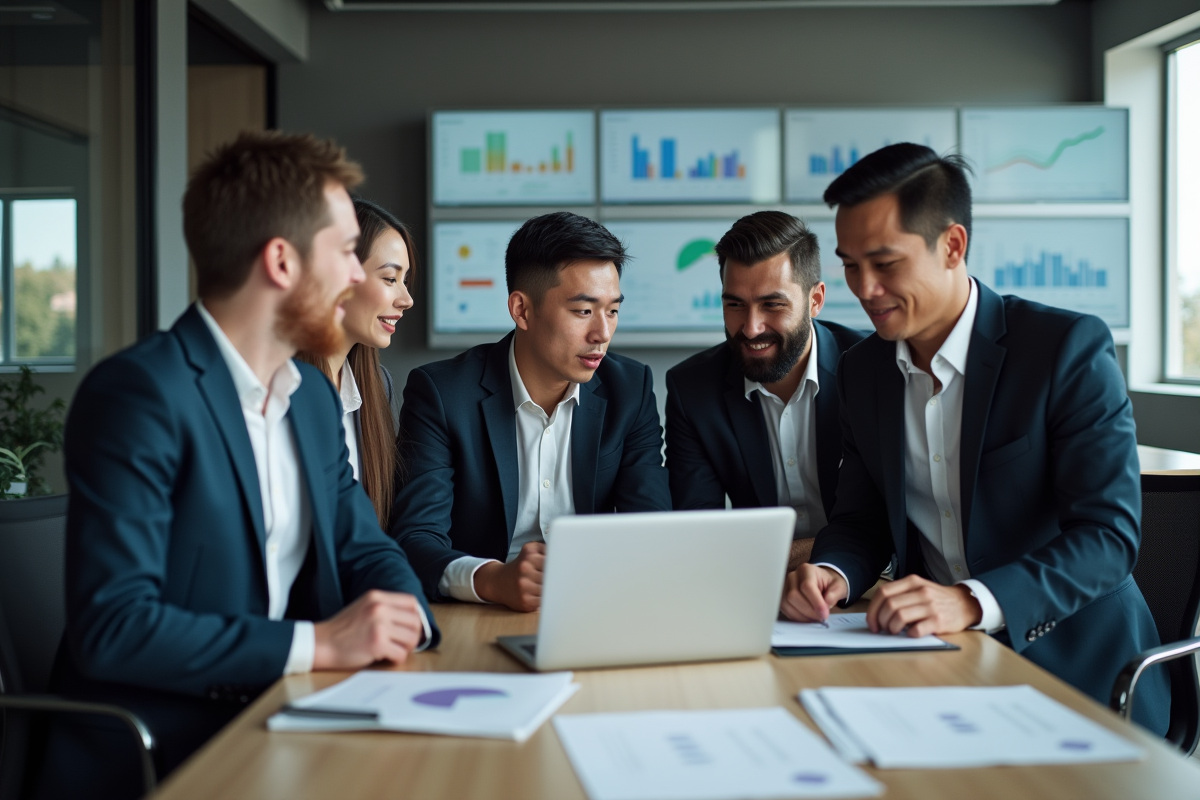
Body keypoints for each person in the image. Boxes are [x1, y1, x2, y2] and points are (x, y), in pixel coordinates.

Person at [34, 132, 438, 799]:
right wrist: (318, 646)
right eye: (345, 254)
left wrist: (405, 618)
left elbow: (366, 546)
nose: (360, 278)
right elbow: (115, 626)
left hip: (285, 723)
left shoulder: (309, 398)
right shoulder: (141, 393)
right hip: (165, 751)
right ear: (281, 261)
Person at [779, 143, 1170, 734]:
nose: (864, 287)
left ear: (952, 245)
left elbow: (1107, 539)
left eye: (884, 263)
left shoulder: (1064, 350)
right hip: (938, 666)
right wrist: (834, 571)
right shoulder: (862, 371)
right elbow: (862, 520)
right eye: (849, 264)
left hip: (1082, 676)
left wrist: (970, 600)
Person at [391, 211, 671, 612]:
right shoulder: (442, 393)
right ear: (522, 310)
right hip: (480, 609)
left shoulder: (632, 389)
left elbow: (651, 530)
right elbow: (414, 539)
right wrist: (491, 579)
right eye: (583, 311)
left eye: (612, 310)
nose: (603, 334)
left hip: (597, 606)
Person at [665, 211, 865, 569]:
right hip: (753, 587)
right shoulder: (693, 390)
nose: (751, 328)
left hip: (866, 581)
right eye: (735, 305)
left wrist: (808, 559)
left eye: (772, 305)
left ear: (815, 300)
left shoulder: (871, 369)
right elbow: (697, 535)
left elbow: (887, 525)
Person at [297, 197, 415, 526]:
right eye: (390, 279)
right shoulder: (277, 385)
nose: (406, 300)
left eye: (404, 281)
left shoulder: (378, 385)